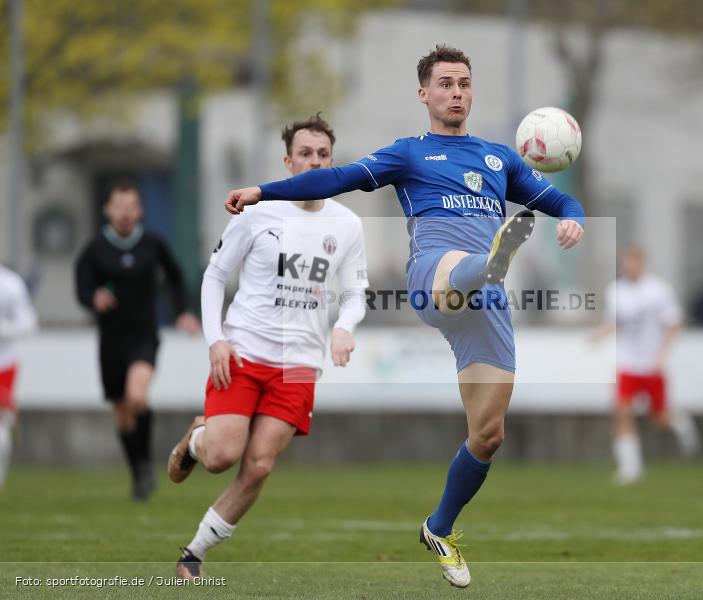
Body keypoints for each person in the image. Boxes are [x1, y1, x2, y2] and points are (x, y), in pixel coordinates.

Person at [223, 45, 585, 588]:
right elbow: (334, 178)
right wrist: (263, 192)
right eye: (445, 84)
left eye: (464, 83)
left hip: (484, 304)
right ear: (424, 94)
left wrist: (574, 220)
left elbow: (560, 201)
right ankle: (491, 261)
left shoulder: (499, 159)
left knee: (488, 435)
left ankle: (439, 527)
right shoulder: (409, 153)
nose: (456, 92)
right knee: (465, 270)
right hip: (434, 274)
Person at [168, 114, 369, 579]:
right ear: (288, 161)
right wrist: (215, 340)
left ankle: (192, 554)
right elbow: (215, 276)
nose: (314, 161)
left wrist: (346, 327)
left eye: (322, 155)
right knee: (221, 456)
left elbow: (356, 291)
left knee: (257, 468)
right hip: (243, 351)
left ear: (332, 162)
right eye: (305, 154)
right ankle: (196, 440)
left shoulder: (347, 224)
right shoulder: (259, 212)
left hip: (300, 365)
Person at [75, 182, 200, 501]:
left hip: (144, 335)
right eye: (119, 206)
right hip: (111, 339)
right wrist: (95, 298)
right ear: (108, 209)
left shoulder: (152, 243)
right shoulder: (95, 249)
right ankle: (139, 471)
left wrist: (182, 311)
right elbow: (82, 288)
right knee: (122, 411)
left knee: (137, 396)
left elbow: (175, 277)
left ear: (139, 210)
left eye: (131, 206)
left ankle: (145, 466)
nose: (125, 212)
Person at [594, 245, 699, 485]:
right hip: (628, 363)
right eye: (625, 262)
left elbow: (674, 323)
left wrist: (663, 352)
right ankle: (630, 468)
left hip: (652, 364)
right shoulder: (615, 291)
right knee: (622, 411)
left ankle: (681, 423)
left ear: (642, 263)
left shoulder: (658, 290)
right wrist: (599, 336)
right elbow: (615, 322)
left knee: (658, 417)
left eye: (632, 262)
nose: (628, 266)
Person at [0, 265, 38, 490]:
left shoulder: (10, 283)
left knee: (2, 424)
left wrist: (4, 328)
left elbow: (29, 323)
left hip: (3, 364)